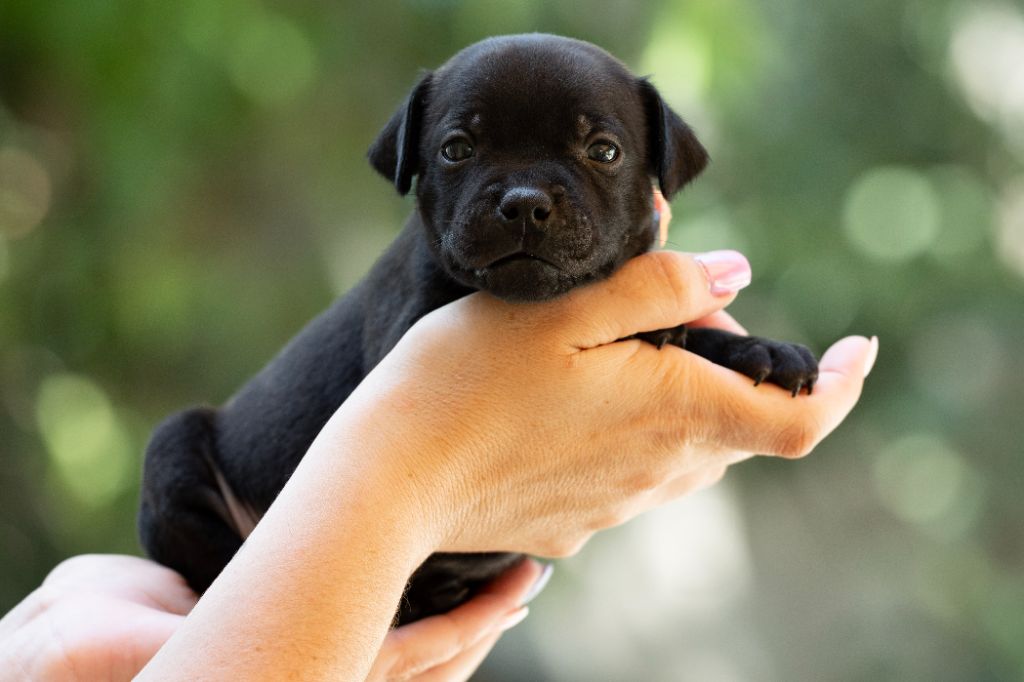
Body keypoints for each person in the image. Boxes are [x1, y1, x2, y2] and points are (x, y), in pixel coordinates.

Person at [0, 199, 878, 680]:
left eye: (599, 154)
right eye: (463, 152)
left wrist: (42, 659)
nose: (529, 197)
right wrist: (404, 480)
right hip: (243, 519)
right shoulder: (418, 283)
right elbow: (418, 426)